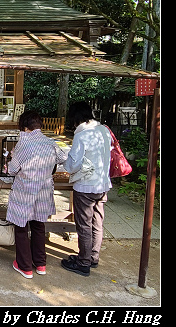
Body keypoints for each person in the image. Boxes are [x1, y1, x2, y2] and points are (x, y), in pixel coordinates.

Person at [7, 110, 67, 279]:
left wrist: (13, 157)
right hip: (44, 189)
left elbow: (12, 170)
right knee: (38, 226)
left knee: (21, 226)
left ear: (24, 127)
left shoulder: (23, 144)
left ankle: (25, 266)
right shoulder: (50, 142)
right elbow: (62, 158)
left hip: (25, 190)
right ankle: (40, 264)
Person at [61, 102, 112, 277]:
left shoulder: (82, 136)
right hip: (103, 184)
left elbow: (73, 164)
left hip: (86, 187)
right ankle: (93, 257)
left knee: (84, 224)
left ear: (75, 118)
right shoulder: (104, 130)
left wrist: (64, 163)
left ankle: (83, 263)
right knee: (97, 222)